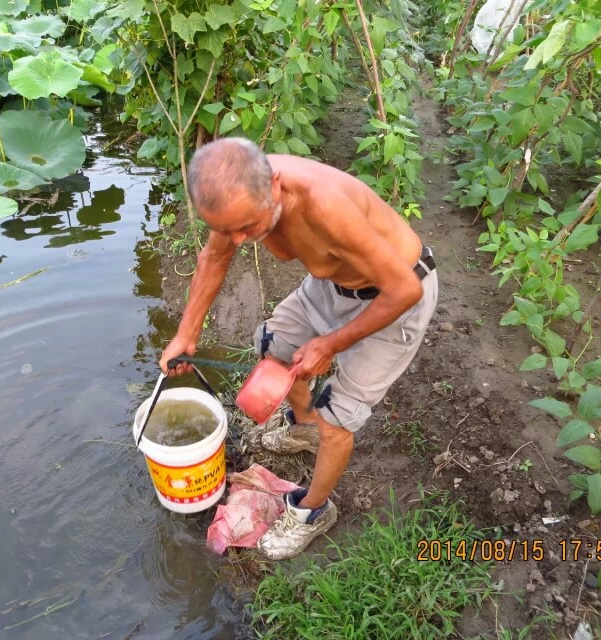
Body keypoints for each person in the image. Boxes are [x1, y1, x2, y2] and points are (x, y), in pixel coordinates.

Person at [159, 137, 438, 560]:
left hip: (393, 295)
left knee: (338, 417)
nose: (235, 240)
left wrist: (330, 344)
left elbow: (405, 290)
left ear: (274, 185)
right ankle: (303, 426)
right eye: (225, 229)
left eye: (246, 228)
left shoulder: (325, 206)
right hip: (332, 285)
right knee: (274, 345)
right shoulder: (236, 198)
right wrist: (186, 334)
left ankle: (313, 511)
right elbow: (213, 259)